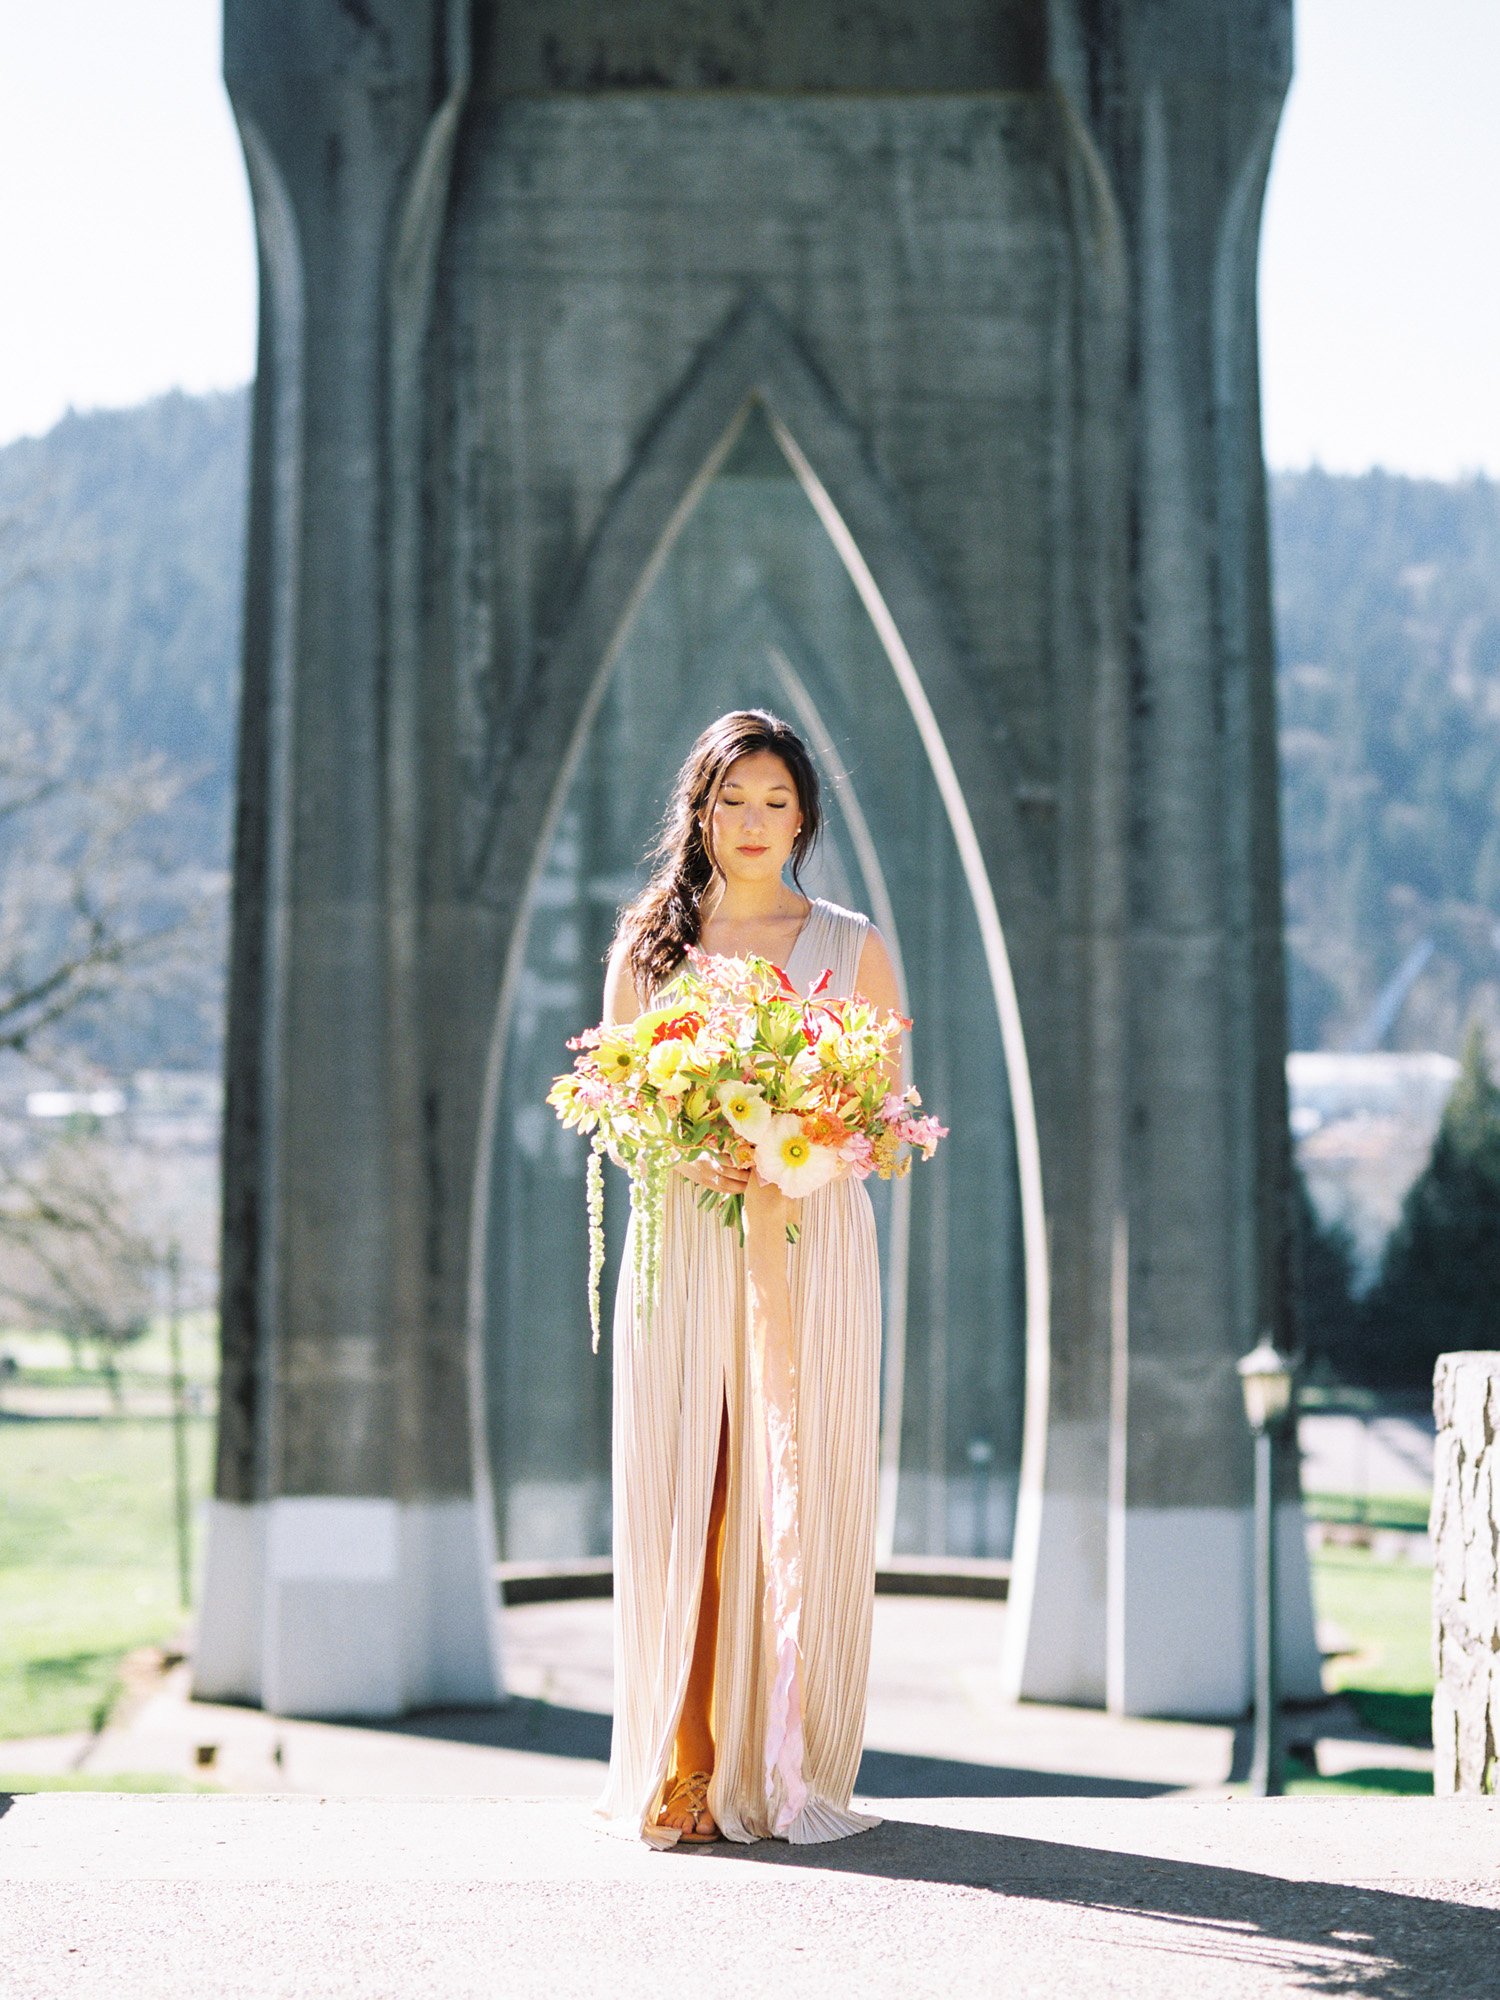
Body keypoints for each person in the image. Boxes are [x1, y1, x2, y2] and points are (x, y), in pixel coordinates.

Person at [594, 709, 902, 1847]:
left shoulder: (852, 941)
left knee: (794, 1483)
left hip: (811, 1242)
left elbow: (880, 1113)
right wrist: (704, 1142)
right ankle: (682, 1762)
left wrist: (797, 1142)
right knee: (690, 1485)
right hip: (685, 1237)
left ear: (804, 815)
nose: (754, 823)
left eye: (775, 801)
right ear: (700, 812)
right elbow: (625, 1107)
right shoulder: (651, 947)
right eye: (733, 801)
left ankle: (779, 1768)